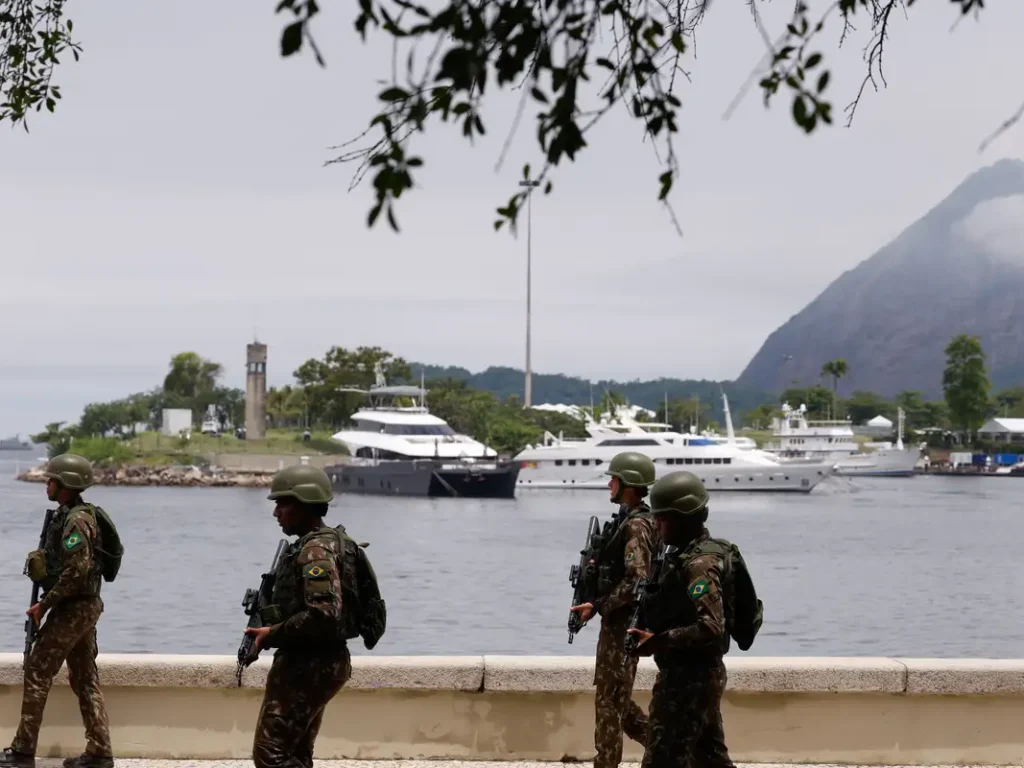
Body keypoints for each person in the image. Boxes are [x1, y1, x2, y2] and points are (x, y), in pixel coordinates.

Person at [1, 454, 114, 768]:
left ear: (67, 484)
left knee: (37, 670)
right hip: (83, 607)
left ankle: (23, 752)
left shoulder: (77, 520)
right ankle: (100, 752)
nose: (46, 484)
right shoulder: (69, 515)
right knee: (85, 677)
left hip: (73, 608)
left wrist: (44, 604)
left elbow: (76, 572)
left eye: (51, 480)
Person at [244, 465, 352, 768]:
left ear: (303, 504)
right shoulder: (325, 543)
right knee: (296, 755)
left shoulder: (315, 552)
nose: (276, 512)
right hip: (320, 661)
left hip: (308, 666)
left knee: (271, 756)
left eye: (283, 503)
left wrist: (271, 635)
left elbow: (323, 614)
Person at [626, 470, 735, 768]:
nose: (656, 527)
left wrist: (658, 641)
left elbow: (711, 626)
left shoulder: (699, 565)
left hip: (689, 681)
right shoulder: (683, 556)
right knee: (710, 759)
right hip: (694, 675)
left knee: (662, 761)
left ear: (683, 519)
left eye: (662, 520)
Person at [568, 451, 657, 768]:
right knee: (614, 697)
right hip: (616, 623)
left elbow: (638, 579)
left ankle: (607, 763)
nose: (609, 484)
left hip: (624, 625)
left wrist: (600, 604)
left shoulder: (636, 527)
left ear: (628, 485)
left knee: (609, 701)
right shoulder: (627, 520)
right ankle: (668, 749)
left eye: (614, 479)